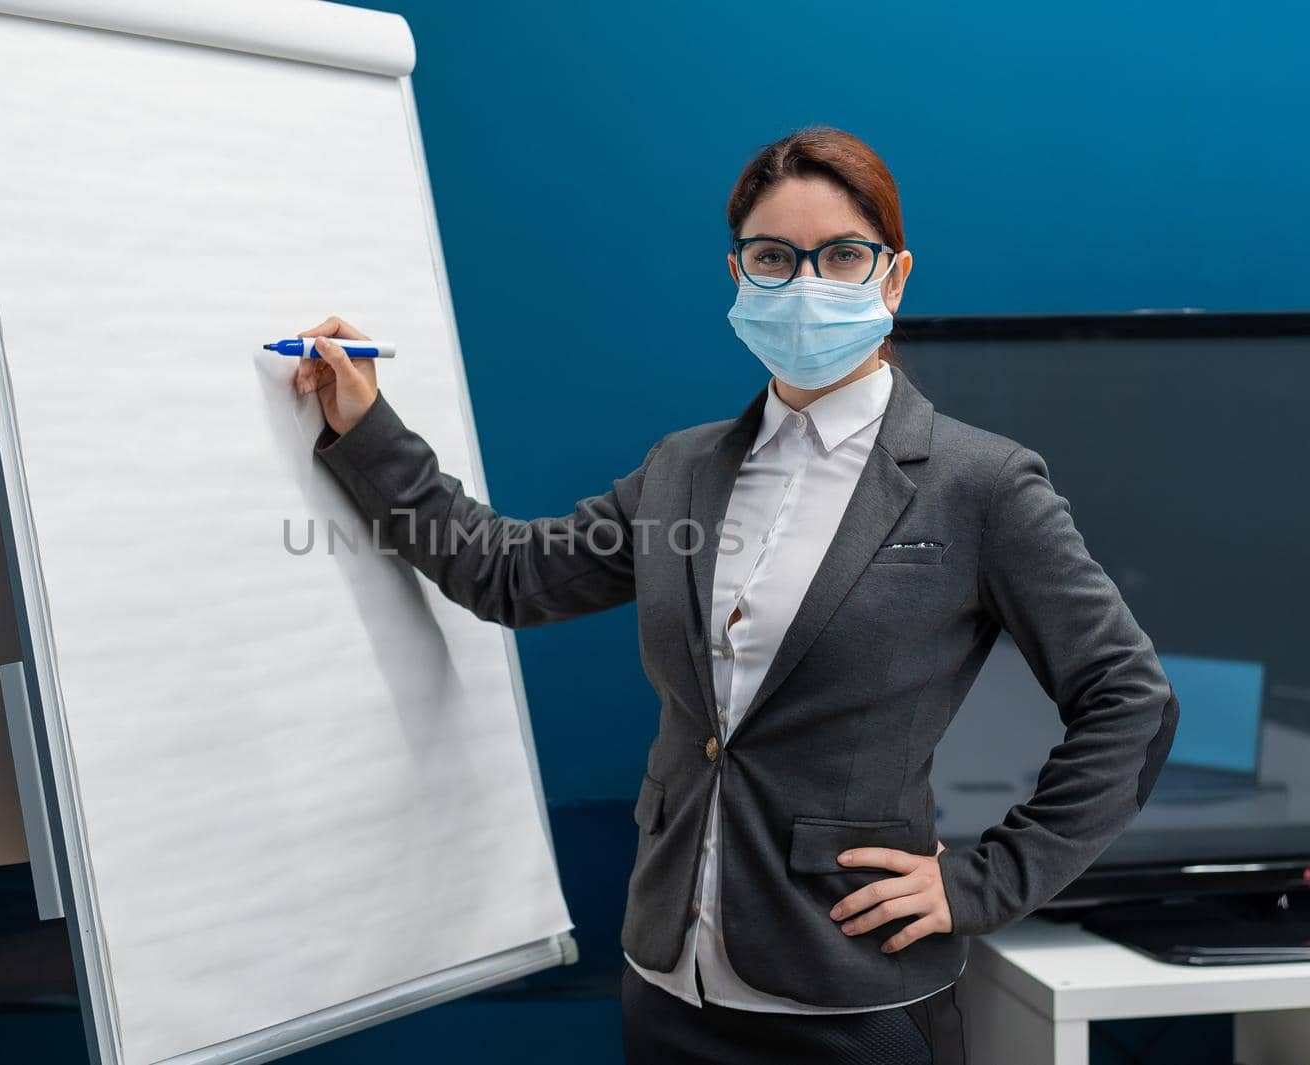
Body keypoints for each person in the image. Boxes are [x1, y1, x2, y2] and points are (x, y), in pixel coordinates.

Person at [288, 125, 1180, 1065]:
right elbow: (507, 575)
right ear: (738, 275)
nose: (804, 285)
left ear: (895, 277)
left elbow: (1130, 700)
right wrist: (367, 425)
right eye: (773, 258)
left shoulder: (980, 485)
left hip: (852, 1003)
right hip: (670, 986)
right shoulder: (683, 469)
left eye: (841, 256)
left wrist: (985, 882)